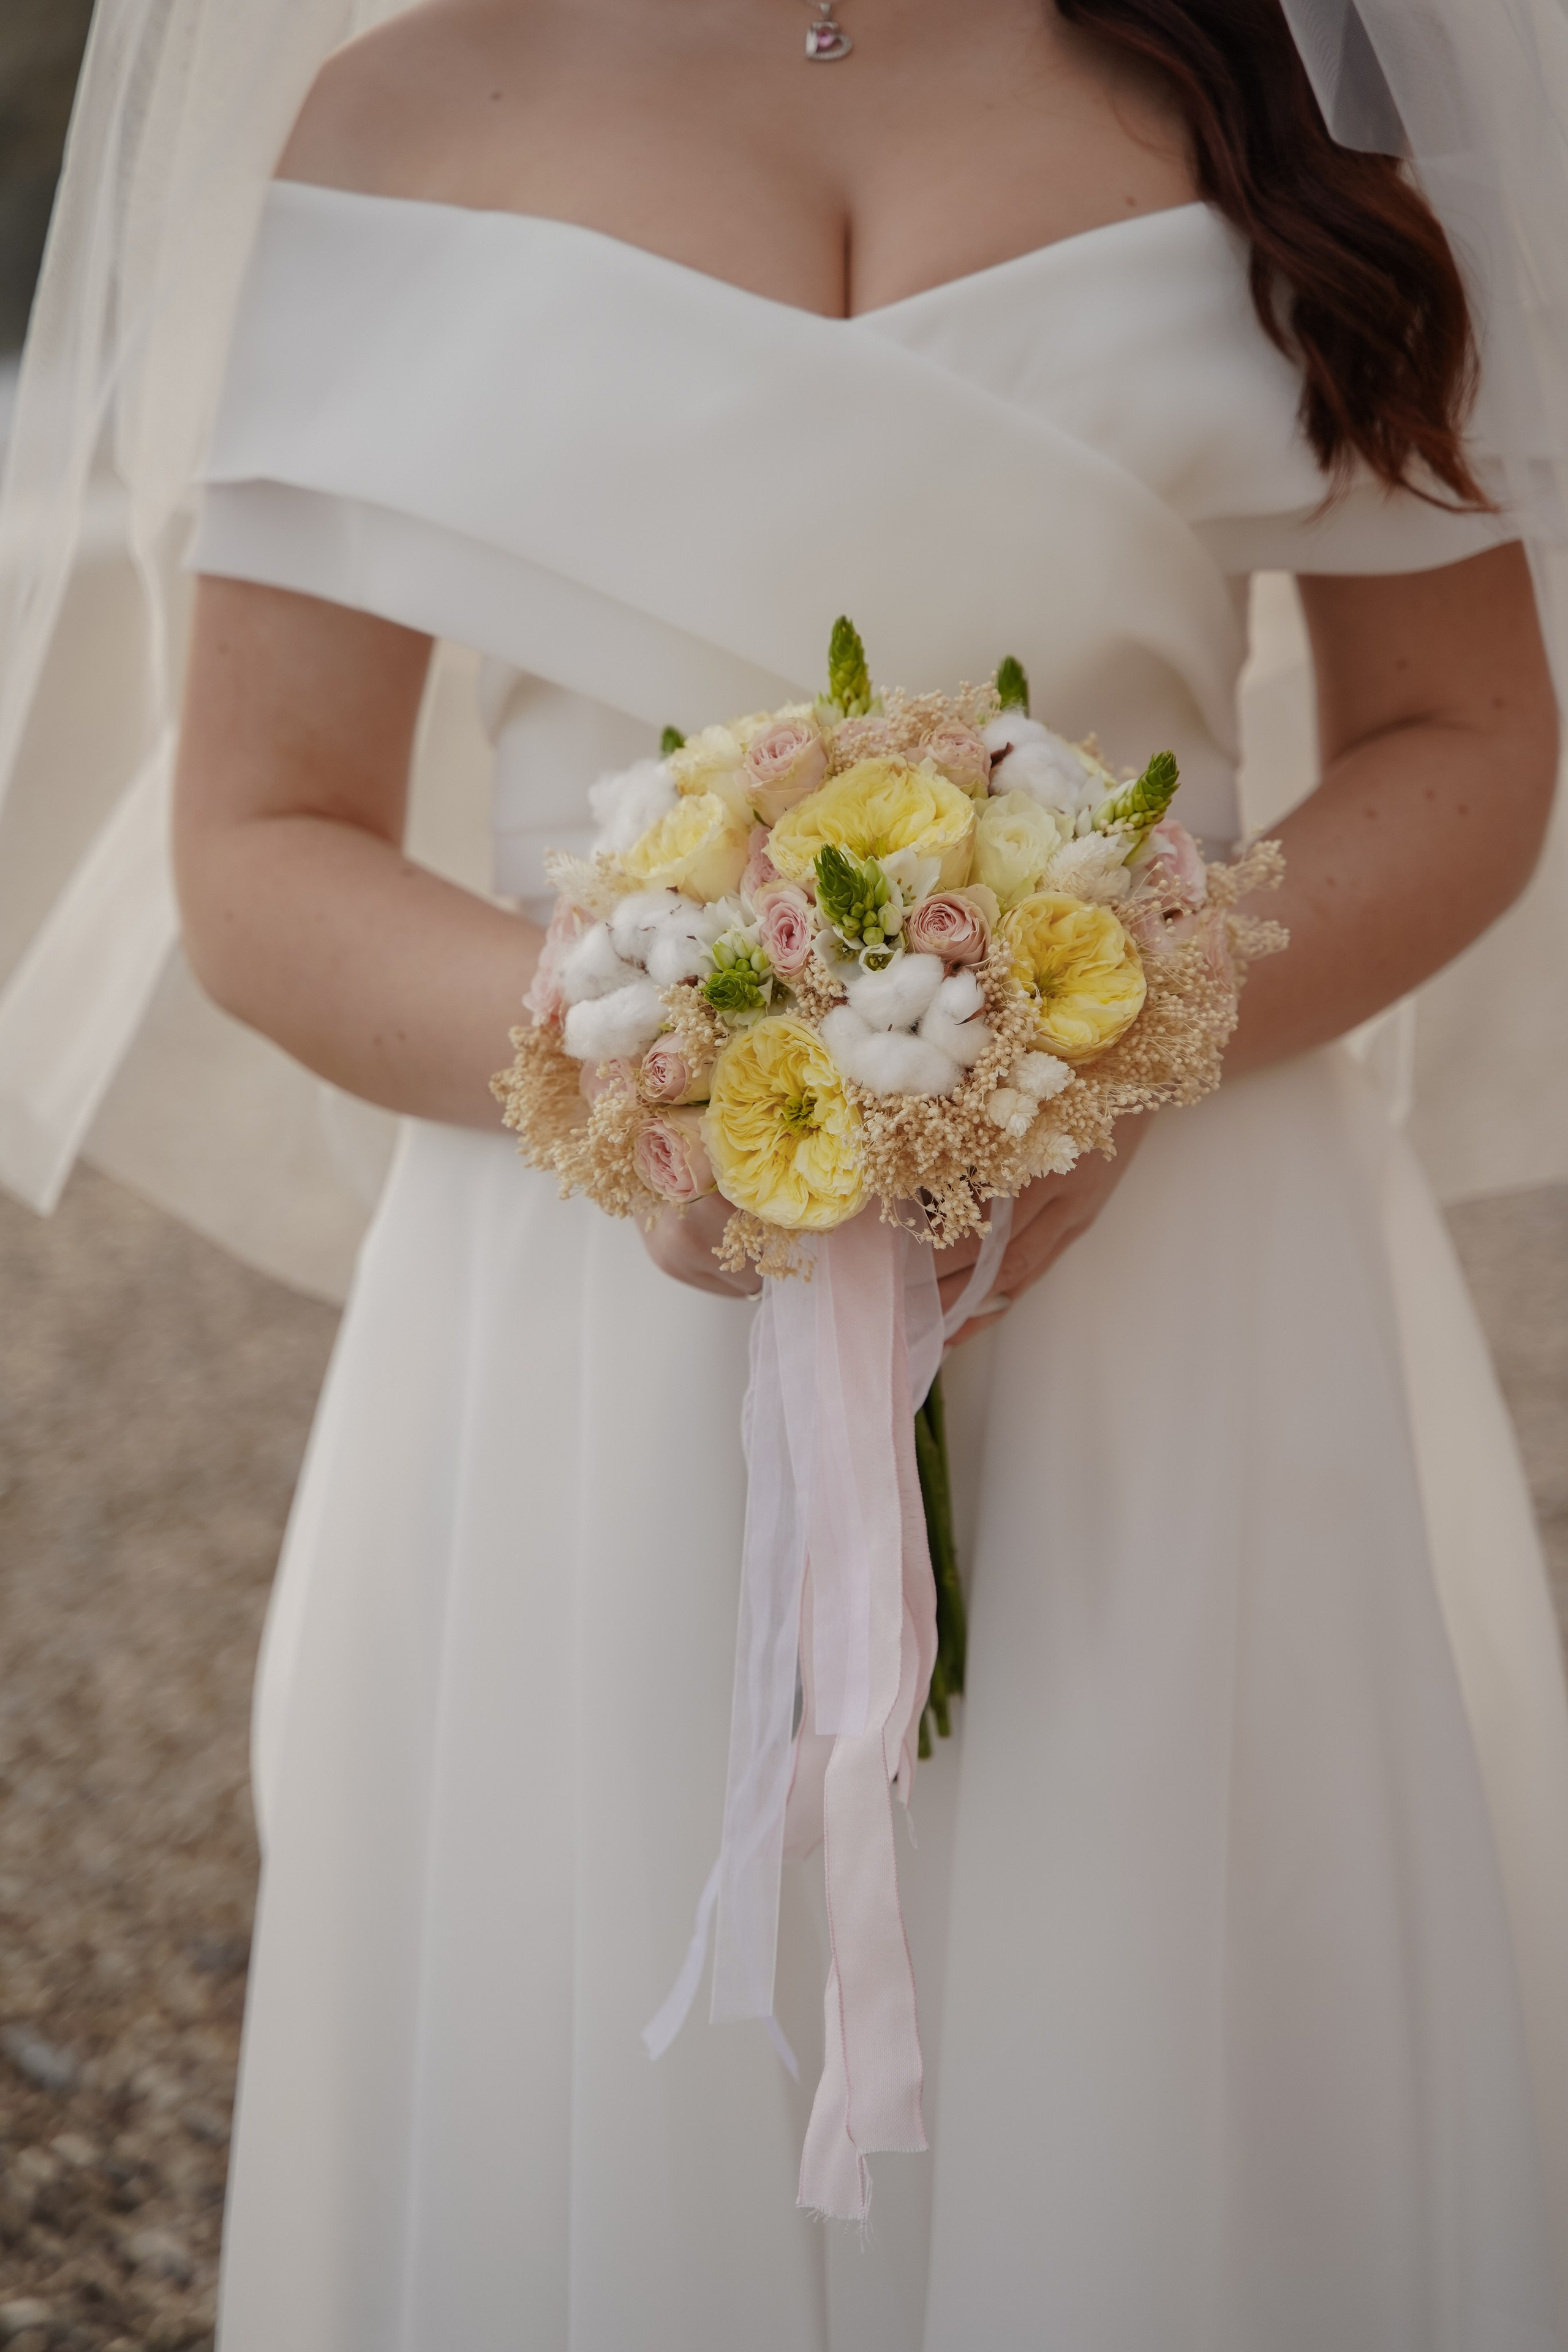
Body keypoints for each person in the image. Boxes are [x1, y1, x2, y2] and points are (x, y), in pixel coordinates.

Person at [6, 0, 1568, 2343]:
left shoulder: (1276, 84)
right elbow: (261, 842)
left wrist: (1119, 1033)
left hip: (1185, 1283)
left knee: (1167, 2013)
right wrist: (646, 1080)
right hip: (603, 1296)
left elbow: (1462, 736)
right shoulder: (407, 114)